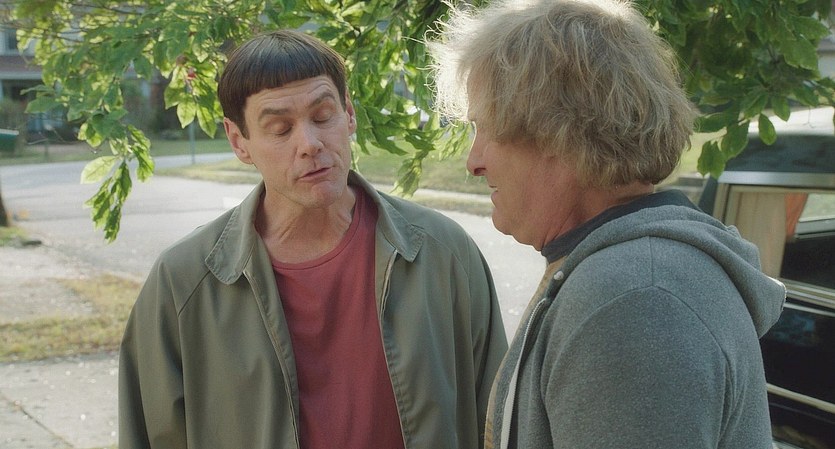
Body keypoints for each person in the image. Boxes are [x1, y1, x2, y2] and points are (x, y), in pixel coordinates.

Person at [119, 29, 507, 449]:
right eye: (280, 128)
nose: (310, 144)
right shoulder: (182, 284)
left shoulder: (443, 254)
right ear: (239, 142)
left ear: (349, 114)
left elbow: (501, 420)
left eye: (323, 117)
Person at [429, 0, 787, 448]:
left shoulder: (634, 299)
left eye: (486, 128)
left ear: (556, 131)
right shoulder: (637, 275)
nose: (473, 161)